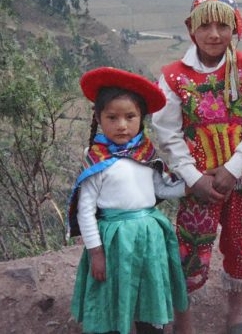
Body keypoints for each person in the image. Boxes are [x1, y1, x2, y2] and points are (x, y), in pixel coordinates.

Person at [152, 0, 242, 334]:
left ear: (236, 26)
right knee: (190, 247)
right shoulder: (174, 77)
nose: (214, 34)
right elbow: (169, 133)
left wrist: (233, 169)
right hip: (198, 184)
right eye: (205, 25)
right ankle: (184, 322)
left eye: (223, 25)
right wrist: (194, 178)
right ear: (192, 28)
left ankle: (234, 315)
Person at [67, 66, 189, 334]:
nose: (121, 125)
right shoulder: (97, 160)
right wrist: (95, 252)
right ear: (98, 118)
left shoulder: (146, 153)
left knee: (148, 290)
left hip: (149, 237)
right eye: (112, 117)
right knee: (114, 291)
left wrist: (190, 185)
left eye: (130, 116)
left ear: (141, 118)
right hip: (114, 242)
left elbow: (162, 189)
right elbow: (85, 211)